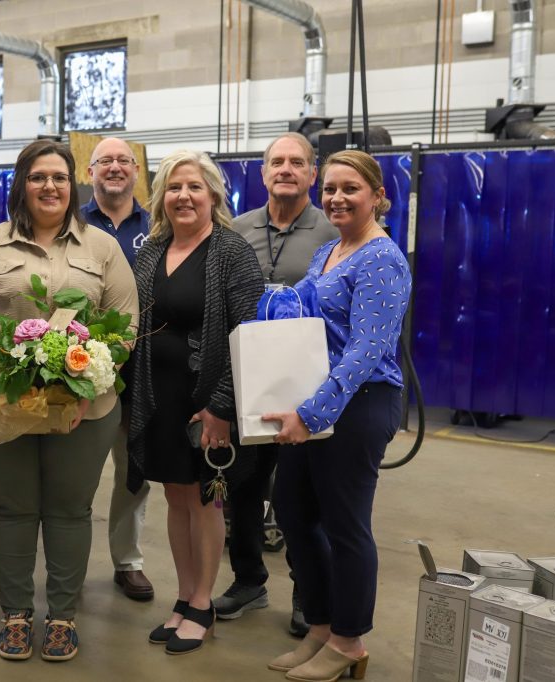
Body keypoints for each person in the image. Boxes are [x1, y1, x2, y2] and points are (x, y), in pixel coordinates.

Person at [0, 140, 138, 662]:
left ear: (72, 185)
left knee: (69, 511)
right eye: (37, 177)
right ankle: (15, 614)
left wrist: (81, 384)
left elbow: (125, 327)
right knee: (11, 509)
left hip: (86, 409)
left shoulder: (103, 249)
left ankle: (61, 617)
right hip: (2, 404)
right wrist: (7, 379)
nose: (49, 186)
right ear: (21, 185)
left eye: (58, 177)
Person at [264, 149, 411, 681]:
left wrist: (311, 414)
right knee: (293, 511)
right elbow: (299, 313)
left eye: (350, 188)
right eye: (329, 189)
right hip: (318, 402)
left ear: (377, 196)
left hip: (359, 402)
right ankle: (322, 626)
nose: (337, 198)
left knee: (345, 525)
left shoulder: (382, 259)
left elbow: (366, 351)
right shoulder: (330, 249)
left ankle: (349, 641)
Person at [127, 150, 264, 655]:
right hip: (159, 397)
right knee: (175, 496)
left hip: (207, 402)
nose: (183, 196)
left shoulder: (231, 251)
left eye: (194, 187)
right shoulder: (151, 250)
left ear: (213, 195)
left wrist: (223, 407)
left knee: (205, 499)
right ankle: (184, 597)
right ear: (161, 196)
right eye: (173, 187)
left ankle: (204, 603)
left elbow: (249, 331)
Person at [215, 133, 338, 635]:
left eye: (297, 162)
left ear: (312, 173)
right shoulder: (237, 229)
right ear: (263, 173)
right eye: (277, 162)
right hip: (247, 377)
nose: (286, 169)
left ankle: (308, 593)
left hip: (307, 382)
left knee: (300, 495)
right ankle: (248, 580)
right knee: (242, 486)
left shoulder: (332, 230)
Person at [79, 137, 153, 602]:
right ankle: (70, 562)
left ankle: (128, 561)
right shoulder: (71, 222)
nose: (115, 167)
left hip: (141, 370)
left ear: (136, 171)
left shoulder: (159, 226)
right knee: (76, 472)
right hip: (79, 368)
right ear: (89, 172)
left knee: (133, 470)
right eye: (104, 160)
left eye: (124, 160)